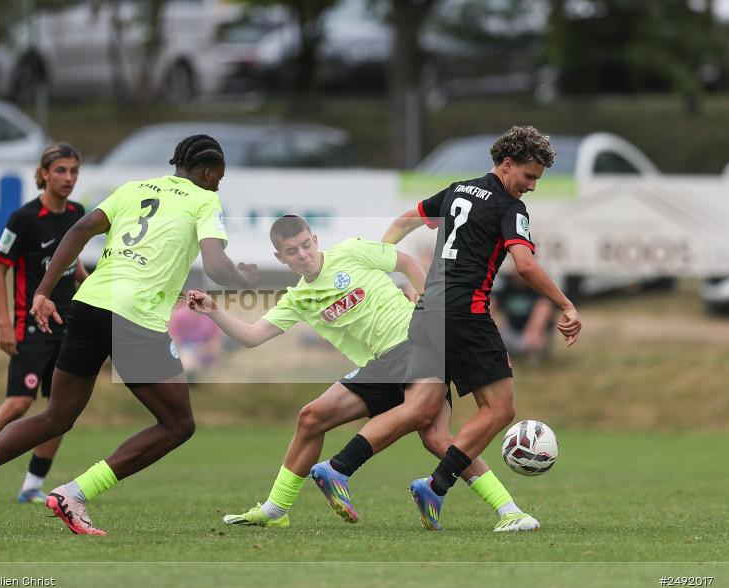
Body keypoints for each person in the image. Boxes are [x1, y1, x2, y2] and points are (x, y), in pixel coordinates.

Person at [0, 134, 258, 536]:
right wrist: (243, 278)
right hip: (133, 317)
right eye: (218, 178)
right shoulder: (205, 200)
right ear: (206, 172)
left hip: (89, 303)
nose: (218, 185)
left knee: (56, 414)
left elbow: (79, 230)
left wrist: (43, 292)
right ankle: (75, 494)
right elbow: (216, 267)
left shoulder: (133, 190)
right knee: (178, 423)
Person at [187, 215, 535, 532]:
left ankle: (339, 468)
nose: (303, 254)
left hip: (416, 342)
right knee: (314, 418)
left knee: (431, 429)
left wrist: (428, 303)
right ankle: (276, 508)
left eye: (306, 244)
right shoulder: (299, 298)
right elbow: (252, 336)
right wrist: (215, 311)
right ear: (281, 258)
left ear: (316, 239)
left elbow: (407, 262)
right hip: (383, 364)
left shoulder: (352, 251)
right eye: (293, 251)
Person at [312, 125, 581, 531]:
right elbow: (524, 265)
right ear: (507, 164)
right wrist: (565, 304)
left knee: (420, 409)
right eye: (529, 176)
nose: (531, 187)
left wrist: (391, 269)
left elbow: (404, 222)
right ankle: (435, 485)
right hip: (465, 316)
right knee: (499, 408)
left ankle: (339, 468)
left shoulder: (457, 190)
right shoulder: (510, 209)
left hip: (427, 313)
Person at [0, 143, 87, 505]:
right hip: (32, 327)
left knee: (61, 411)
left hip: (69, 325)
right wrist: (4, 323)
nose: (68, 178)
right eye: (61, 170)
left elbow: (75, 268)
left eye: (74, 171)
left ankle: (32, 484)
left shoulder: (77, 214)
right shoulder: (23, 218)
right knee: (18, 403)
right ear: (44, 173)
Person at [491, 273, 555, 366]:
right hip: (512, 333)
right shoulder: (507, 288)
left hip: (533, 334)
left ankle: (532, 353)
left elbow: (545, 308)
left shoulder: (537, 289)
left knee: (543, 308)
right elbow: (491, 303)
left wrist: (533, 332)